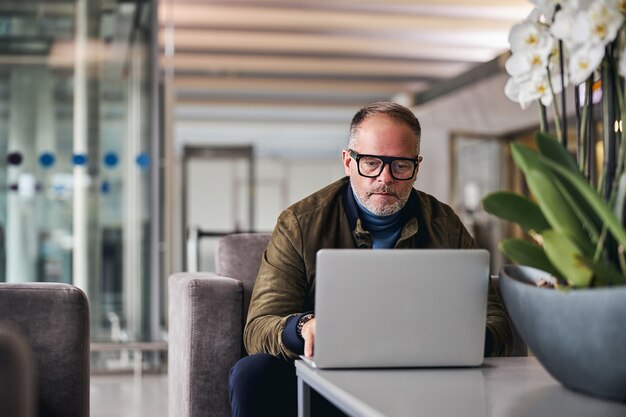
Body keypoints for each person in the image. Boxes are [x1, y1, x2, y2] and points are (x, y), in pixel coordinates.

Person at [228, 101, 512, 417]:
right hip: (325, 378)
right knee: (253, 374)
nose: (385, 178)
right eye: (372, 162)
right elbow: (258, 328)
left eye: (400, 165)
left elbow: (496, 321)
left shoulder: (445, 224)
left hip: (422, 377)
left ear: (416, 168)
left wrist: (455, 339)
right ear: (348, 162)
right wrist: (304, 327)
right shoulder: (299, 223)